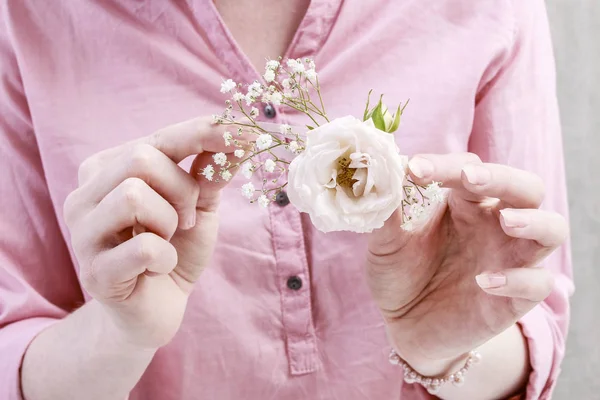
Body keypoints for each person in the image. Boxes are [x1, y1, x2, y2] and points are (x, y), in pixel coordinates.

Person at [0, 0, 572, 399]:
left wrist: (442, 347)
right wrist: (119, 334)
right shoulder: (26, 20)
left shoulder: (494, 8)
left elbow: (534, 321)